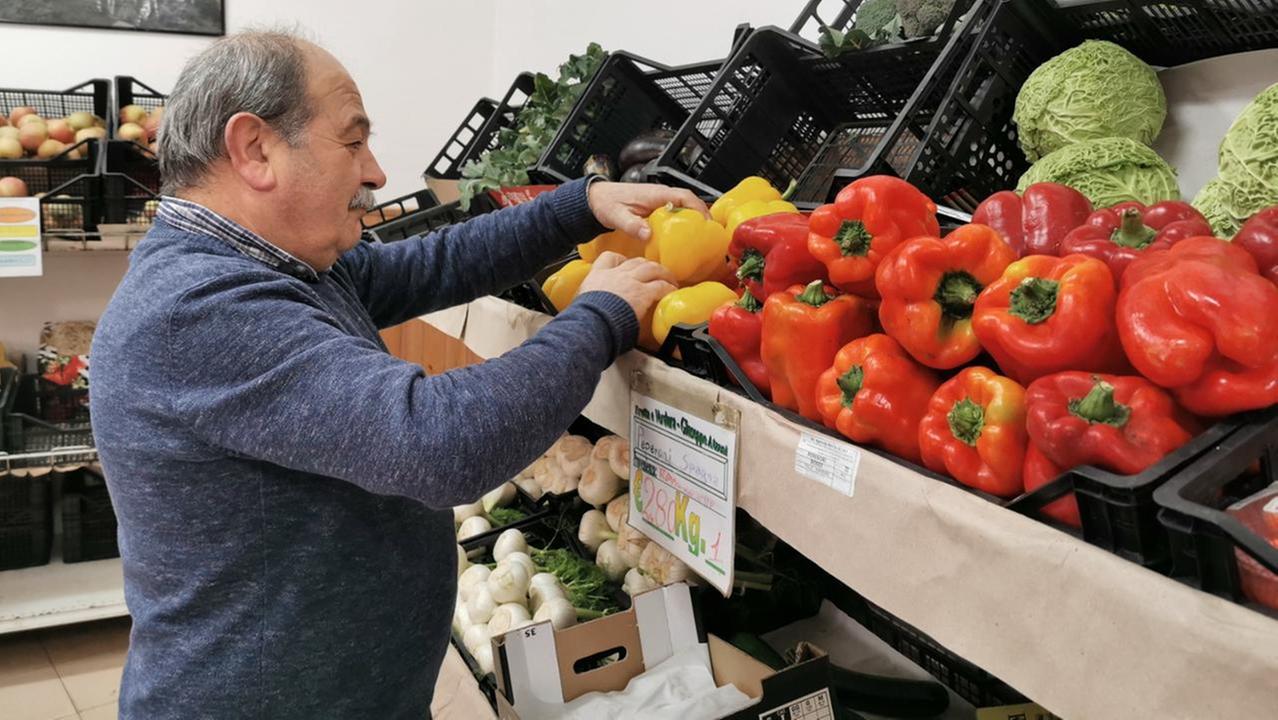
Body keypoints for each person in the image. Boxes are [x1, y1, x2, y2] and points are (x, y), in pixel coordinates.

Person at [91, 30, 695, 719]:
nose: (376, 172)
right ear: (254, 149)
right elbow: (438, 442)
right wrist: (601, 317)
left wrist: (576, 209)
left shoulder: (276, 264)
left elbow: (433, 263)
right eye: (353, 142)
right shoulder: (199, 309)